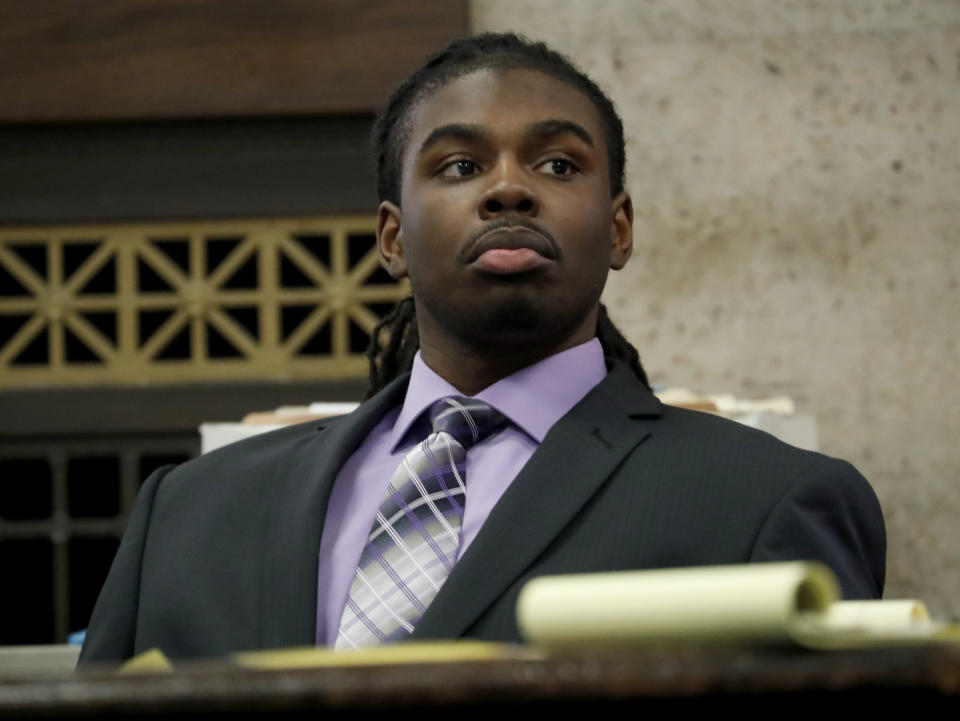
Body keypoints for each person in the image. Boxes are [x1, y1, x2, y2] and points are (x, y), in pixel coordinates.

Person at [79, 33, 884, 664]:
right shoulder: (187, 513)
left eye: (559, 163)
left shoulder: (767, 500)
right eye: (461, 164)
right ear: (392, 238)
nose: (508, 187)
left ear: (619, 228)